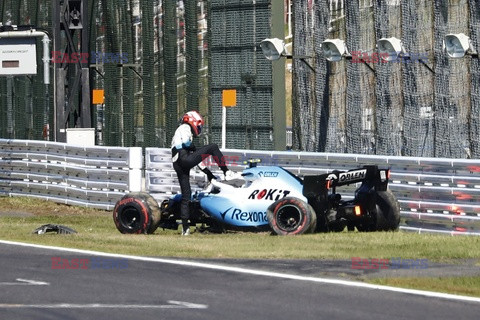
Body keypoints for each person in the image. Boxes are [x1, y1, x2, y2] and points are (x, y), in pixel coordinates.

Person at [171, 110, 240, 236]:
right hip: (184, 158)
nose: (199, 128)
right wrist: (195, 149)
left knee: (186, 196)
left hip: (178, 163)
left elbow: (196, 160)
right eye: (199, 125)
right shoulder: (185, 127)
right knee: (213, 147)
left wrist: (208, 173)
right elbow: (187, 143)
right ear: (193, 121)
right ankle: (227, 172)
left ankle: (185, 229)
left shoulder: (177, 133)